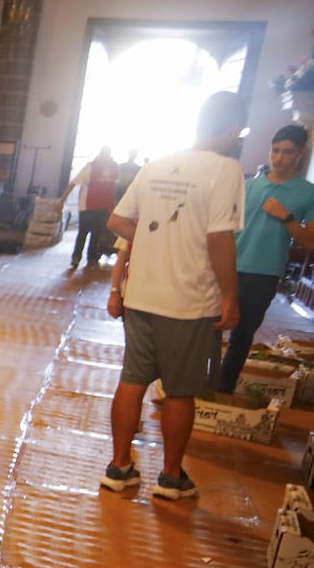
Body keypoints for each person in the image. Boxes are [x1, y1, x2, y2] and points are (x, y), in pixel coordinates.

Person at [100, 90, 247, 500]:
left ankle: (119, 466)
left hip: (142, 296)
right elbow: (219, 238)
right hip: (190, 303)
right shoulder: (226, 169)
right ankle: (170, 476)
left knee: (132, 381)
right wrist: (231, 296)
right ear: (234, 128)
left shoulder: (158, 165)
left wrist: (157, 245)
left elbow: (117, 220)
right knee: (181, 391)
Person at [217, 124, 314, 393]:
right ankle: (199, 384)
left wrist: (287, 217)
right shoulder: (247, 186)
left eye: (287, 152)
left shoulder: (308, 192)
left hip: (265, 272)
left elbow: (309, 241)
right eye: (275, 151)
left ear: (300, 154)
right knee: (209, 328)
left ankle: (223, 390)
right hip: (227, 265)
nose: (279, 158)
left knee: (243, 335)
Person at [61, 145, 120, 269]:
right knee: (83, 232)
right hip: (87, 205)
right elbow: (74, 183)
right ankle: (76, 257)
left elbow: (112, 188)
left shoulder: (114, 167)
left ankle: (92, 257)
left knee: (97, 233)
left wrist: (113, 206)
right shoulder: (90, 167)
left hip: (104, 206)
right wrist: (62, 200)